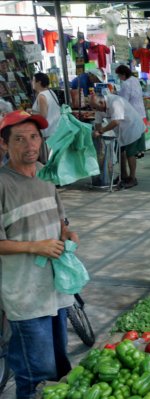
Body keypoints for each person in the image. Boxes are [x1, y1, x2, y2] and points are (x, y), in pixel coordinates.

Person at [0, 110, 79, 399]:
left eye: (34, 137)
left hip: (54, 289)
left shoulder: (46, 174)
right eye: (19, 139)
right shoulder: (2, 184)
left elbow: (60, 216)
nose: (30, 145)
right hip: (25, 295)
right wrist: (36, 246)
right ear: (4, 145)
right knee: (36, 374)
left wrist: (67, 232)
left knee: (59, 367)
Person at [90, 93, 146, 189]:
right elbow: (98, 123)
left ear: (101, 102)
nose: (96, 110)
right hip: (121, 132)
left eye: (96, 107)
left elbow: (116, 122)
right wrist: (97, 133)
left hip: (132, 127)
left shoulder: (115, 102)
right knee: (121, 153)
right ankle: (123, 176)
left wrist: (101, 131)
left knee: (130, 153)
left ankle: (132, 178)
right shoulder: (99, 108)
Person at [31, 72, 61, 140]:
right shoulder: (51, 92)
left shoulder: (41, 96)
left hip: (48, 133)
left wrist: (31, 115)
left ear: (39, 82)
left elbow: (43, 116)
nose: (32, 82)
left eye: (33, 80)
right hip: (56, 129)